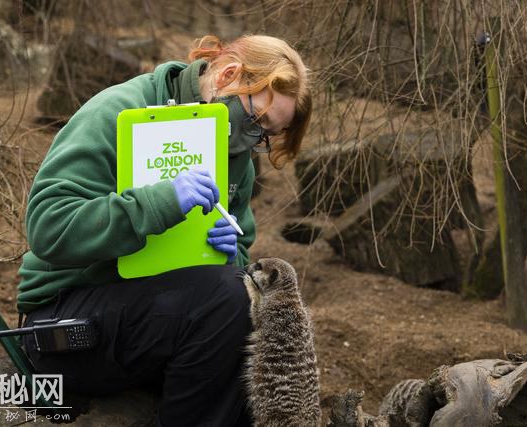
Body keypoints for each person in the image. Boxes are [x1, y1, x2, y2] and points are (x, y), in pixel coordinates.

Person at [16, 34, 311, 426]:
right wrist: (160, 202)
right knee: (227, 303)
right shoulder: (119, 110)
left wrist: (229, 254)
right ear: (227, 75)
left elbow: (237, 250)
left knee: (257, 312)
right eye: (256, 121)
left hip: (154, 318)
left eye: (264, 136)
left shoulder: (235, 153)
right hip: (65, 323)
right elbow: (48, 227)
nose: (253, 140)